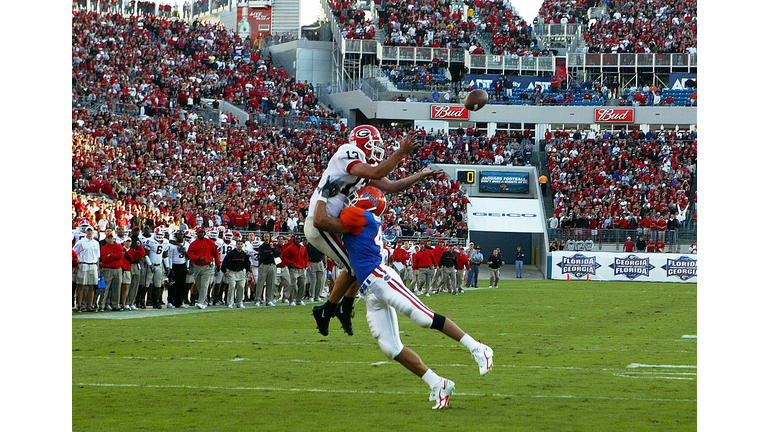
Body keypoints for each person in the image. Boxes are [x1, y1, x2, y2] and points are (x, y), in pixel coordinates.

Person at [312, 184, 493, 409]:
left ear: (365, 202)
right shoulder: (364, 218)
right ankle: (438, 383)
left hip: (381, 278)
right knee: (390, 347)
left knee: (423, 318)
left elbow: (319, 221)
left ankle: (478, 348)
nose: (352, 200)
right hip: (369, 289)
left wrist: (322, 195)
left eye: (357, 197)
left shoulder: (359, 215)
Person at [306, 126, 443, 337]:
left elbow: (393, 186)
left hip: (335, 223)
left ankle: (338, 308)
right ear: (361, 142)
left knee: (356, 264)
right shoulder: (347, 152)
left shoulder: (360, 169)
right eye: (373, 144)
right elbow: (376, 172)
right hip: (321, 222)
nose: (376, 150)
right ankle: (330, 310)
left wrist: (420, 174)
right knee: (355, 266)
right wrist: (401, 153)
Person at [186, 227, 221, 309]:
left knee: (204, 285)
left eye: (202, 232)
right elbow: (190, 254)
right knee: (198, 284)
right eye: (199, 232)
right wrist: (198, 258)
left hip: (207, 266)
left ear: (204, 233)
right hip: (197, 266)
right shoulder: (193, 243)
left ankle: (201, 302)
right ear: (197, 233)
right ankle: (204, 301)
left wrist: (218, 264)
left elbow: (216, 253)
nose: (201, 233)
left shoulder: (210, 242)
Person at [73, 226, 100, 312]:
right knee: (81, 285)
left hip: (93, 264)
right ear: (85, 232)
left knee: (92, 286)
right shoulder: (81, 242)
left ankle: (90, 305)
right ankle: (80, 305)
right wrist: (77, 261)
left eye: (90, 231)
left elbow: (97, 256)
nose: (89, 232)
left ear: (93, 232)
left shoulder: (96, 243)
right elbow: (74, 252)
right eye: (88, 231)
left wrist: (98, 267)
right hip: (84, 264)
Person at [144, 226, 170, 309]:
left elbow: (165, 255)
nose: (159, 236)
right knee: (146, 285)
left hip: (159, 265)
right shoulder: (150, 241)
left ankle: (155, 301)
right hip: (150, 265)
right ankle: (140, 300)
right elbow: (146, 254)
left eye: (161, 234)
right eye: (158, 234)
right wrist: (150, 264)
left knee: (158, 285)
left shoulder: (165, 242)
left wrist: (168, 267)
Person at [222, 239, 251, 308]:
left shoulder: (244, 254)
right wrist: (224, 271)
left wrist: (248, 270)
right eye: (238, 244)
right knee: (232, 286)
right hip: (232, 272)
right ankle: (230, 302)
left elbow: (247, 263)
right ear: (236, 245)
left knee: (241, 287)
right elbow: (225, 262)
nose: (240, 246)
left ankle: (239, 302)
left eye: (241, 244)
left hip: (241, 272)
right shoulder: (231, 254)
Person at [98, 233, 124, 311]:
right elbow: (104, 259)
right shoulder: (103, 248)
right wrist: (113, 256)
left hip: (117, 268)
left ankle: (115, 305)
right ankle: (102, 305)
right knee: (105, 288)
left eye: (111, 238)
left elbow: (120, 255)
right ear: (106, 239)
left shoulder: (118, 246)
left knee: (117, 287)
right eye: (108, 238)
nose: (110, 240)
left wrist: (110, 255)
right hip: (107, 269)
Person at [255, 232, 280, 307]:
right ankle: (258, 299)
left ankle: (269, 300)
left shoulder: (273, 246)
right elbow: (262, 256)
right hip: (264, 265)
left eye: (267, 237)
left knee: (271, 284)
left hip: (272, 265)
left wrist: (272, 249)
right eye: (265, 237)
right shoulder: (261, 247)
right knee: (260, 283)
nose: (266, 238)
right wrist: (270, 253)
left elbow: (278, 254)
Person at [168, 230, 190, 308]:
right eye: (179, 234)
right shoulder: (172, 245)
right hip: (174, 264)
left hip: (183, 264)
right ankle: (170, 301)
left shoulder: (186, 244)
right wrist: (170, 268)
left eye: (181, 234)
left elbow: (188, 258)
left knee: (182, 284)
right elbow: (170, 257)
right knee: (173, 284)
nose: (180, 236)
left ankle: (179, 302)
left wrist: (187, 267)